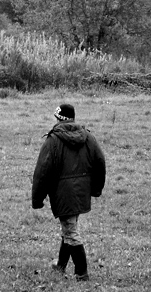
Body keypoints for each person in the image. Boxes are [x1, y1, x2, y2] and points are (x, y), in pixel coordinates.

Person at [31, 103, 106, 281]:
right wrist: (95, 189)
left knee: (70, 232)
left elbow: (42, 172)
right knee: (69, 227)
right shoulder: (88, 137)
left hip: (63, 194)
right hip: (81, 192)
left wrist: (37, 199)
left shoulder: (52, 141)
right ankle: (60, 266)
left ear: (58, 118)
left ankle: (82, 273)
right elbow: (100, 163)